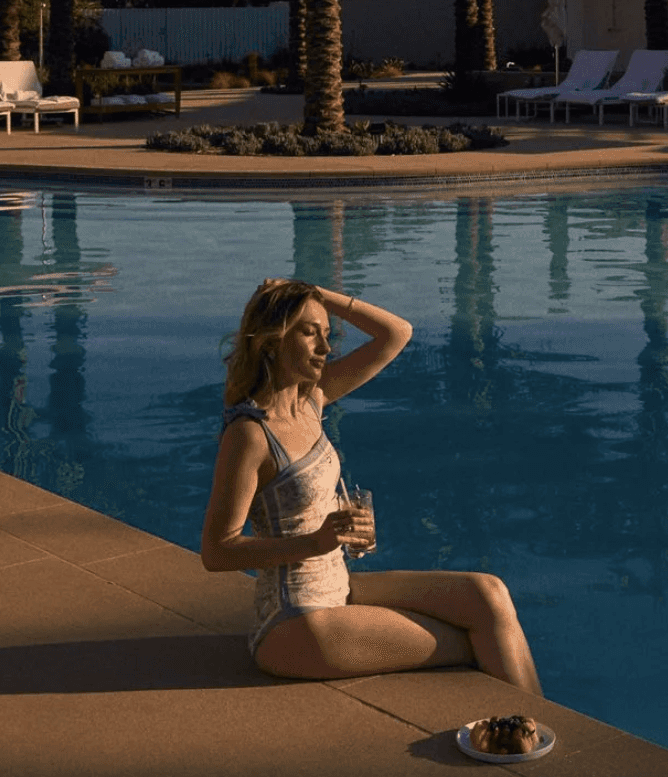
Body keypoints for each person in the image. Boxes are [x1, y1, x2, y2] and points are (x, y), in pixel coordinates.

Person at [201, 278, 542, 694]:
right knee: (478, 640)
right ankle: (531, 738)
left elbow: (397, 333)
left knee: (487, 594)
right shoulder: (250, 434)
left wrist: (315, 294)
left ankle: (531, 733)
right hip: (295, 622)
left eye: (327, 334)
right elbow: (217, 551)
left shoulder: (313, 401)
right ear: (272, 340)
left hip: (339, 587)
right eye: (310, 333)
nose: (326, 349)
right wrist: (316, 542)